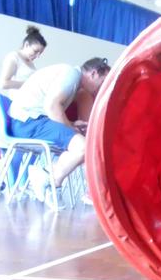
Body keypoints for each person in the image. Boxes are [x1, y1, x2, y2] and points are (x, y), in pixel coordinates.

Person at [8, 57, 110, 209]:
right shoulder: (72, 74)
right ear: (93, 73)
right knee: (83, 147)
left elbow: (53, 110)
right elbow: (52, 107)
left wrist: (71, 125)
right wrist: (70, 128)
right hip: (29, 122)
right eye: (103, 82)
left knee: (83, 147)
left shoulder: (69, 75)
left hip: (29, 121)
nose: (101, 88)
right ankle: (49, 180)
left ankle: (47, 178)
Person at [0, 25, 47, 97]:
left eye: (40, 53)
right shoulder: (14, 57)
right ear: (26, 45)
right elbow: (3, 83)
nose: (38, 56)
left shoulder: (31, 63)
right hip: (18, 101)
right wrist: (29, 84)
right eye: (35, 51)